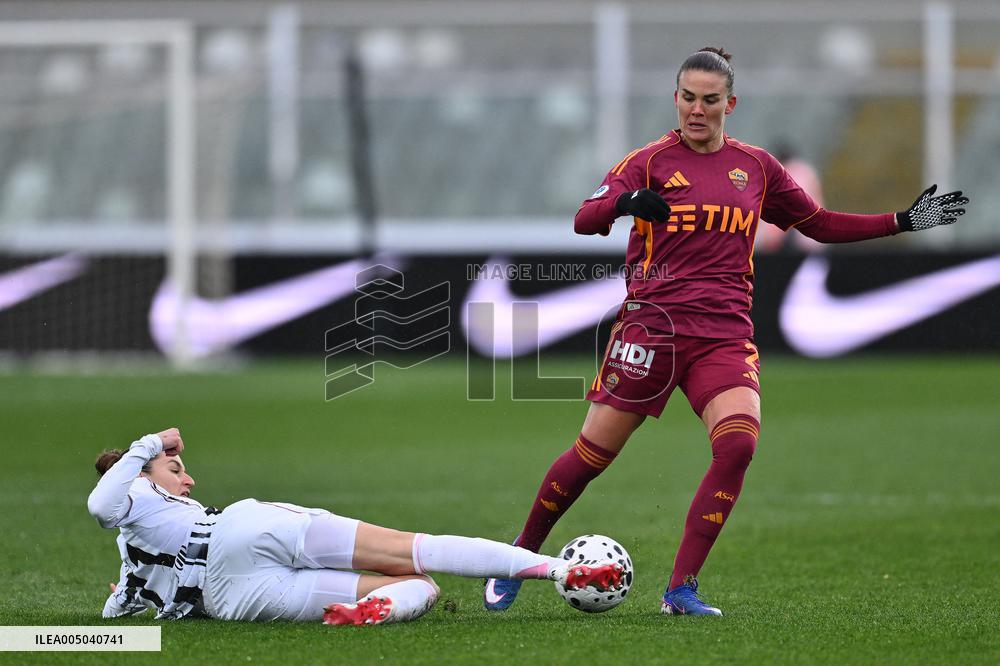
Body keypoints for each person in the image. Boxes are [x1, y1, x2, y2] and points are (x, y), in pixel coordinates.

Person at [484, 46, 968, 616]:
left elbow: (818, 223)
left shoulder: (756, 167)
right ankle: (517, 555)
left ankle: (680, 589)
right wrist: (625, 202)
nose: (696, 109)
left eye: (709, 100)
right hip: (651, 331)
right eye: (687, 97)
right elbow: (584, 218)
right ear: (676, 99)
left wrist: (903, 221)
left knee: (738, 443)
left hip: (723, 336)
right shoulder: (647, 162)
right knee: (592, 454)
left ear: (729, 103)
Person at [88, 428, 623, 625]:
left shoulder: (133, 555)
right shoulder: (134, 486)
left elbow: (116, 612)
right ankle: (559, 570)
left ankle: (375, 610)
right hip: (240, 532)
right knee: (417, 552)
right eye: (175, 470)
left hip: (232, 600)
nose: (187, 477)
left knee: (423, 590)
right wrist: (149, 447)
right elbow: (101, 506)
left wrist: (121, 600)